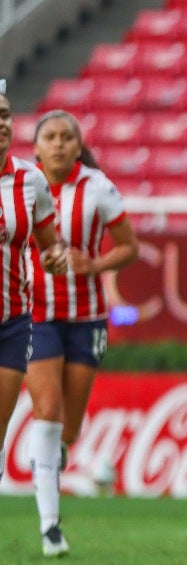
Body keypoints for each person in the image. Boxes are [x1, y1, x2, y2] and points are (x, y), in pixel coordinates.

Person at [24, 108, 138, 557]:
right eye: (49, 136)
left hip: (87, 316)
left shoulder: (97, 188)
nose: (57, 144)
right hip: (35, 313)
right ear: (35, 146)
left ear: (76, 145)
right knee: (47, 407)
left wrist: (95, 263)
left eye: (65, 137)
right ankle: (51, 527)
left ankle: (53, 459)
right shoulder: (21, 187)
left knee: (67, 426)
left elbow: (129, 247)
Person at [0, 80, 69, 556]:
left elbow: (49, 244)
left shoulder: (30, 180)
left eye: (5, 114)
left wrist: (57, 257)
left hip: (11, 321)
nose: (2, 123)